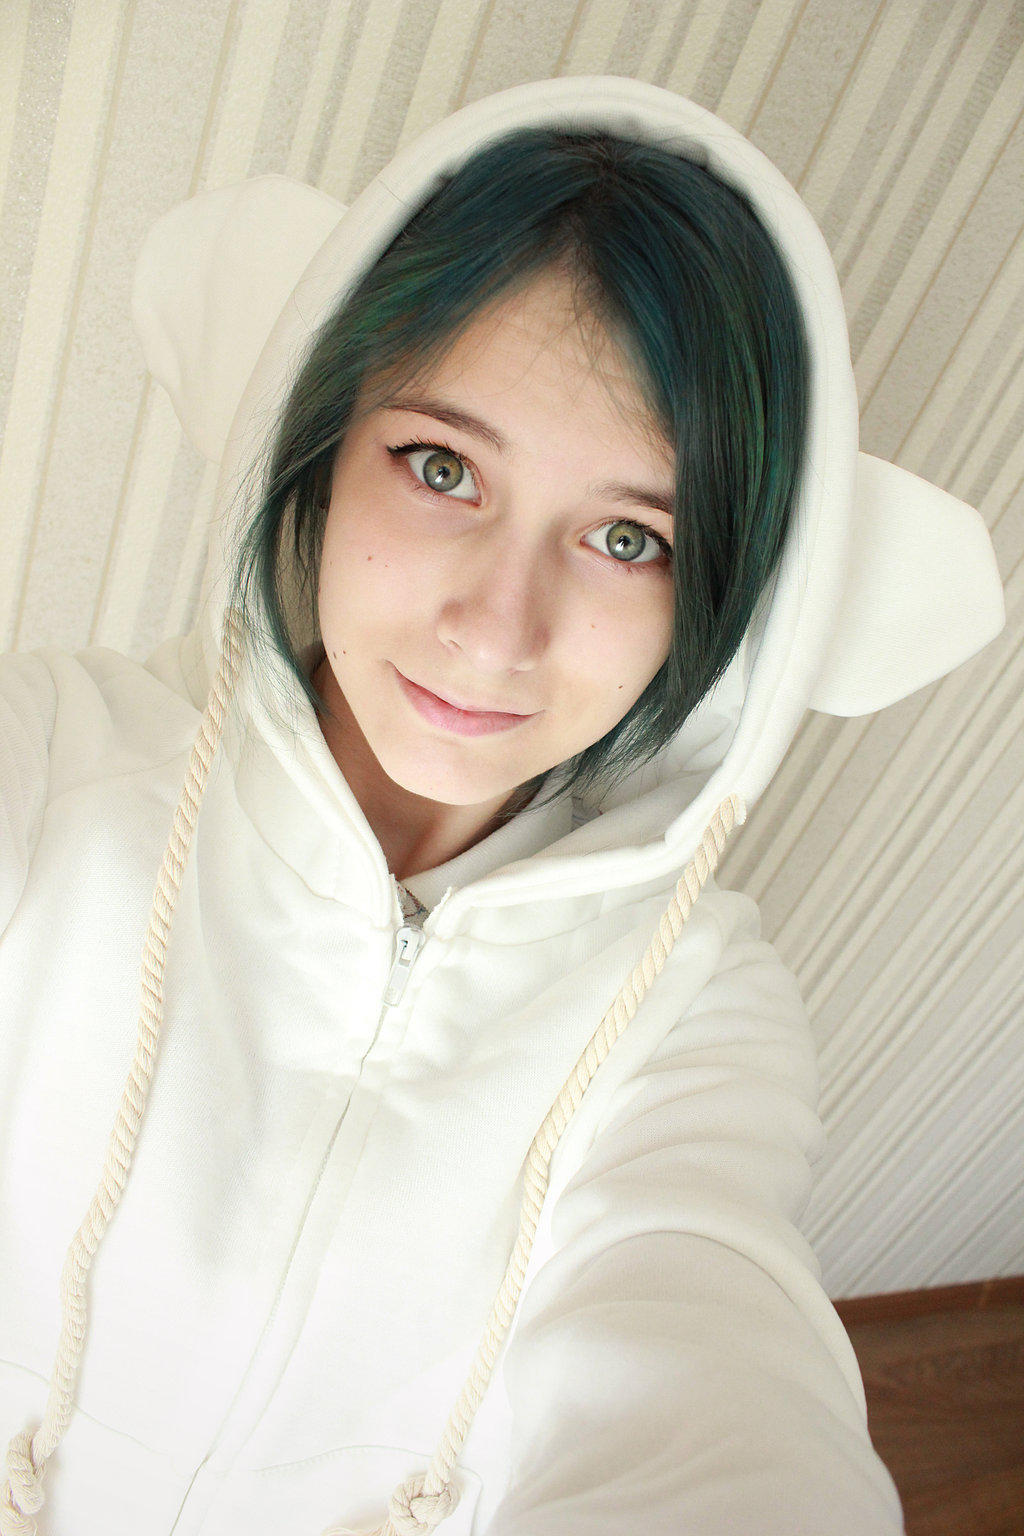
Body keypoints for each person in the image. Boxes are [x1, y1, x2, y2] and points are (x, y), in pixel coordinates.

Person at [0, 75, 1004, 1536]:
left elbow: (709, 1351)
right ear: (314, 453)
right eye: (442, 467)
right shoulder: (54, 773)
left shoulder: (694, 1012)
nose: (497, 626)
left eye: (627, 538)